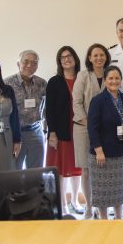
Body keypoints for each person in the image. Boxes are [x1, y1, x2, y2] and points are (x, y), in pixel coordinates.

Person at [87, 66, 123, 220]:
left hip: (122, 152)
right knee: (102, 189)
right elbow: (92, 127)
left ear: (121, 81)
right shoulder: (97, 101)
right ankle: (103, 219)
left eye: (117, 78)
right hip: (103, 153)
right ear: (105, 80)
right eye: (110, 78)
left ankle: (118, 216)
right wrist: (98, 150)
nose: (114, 81)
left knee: (120, 188)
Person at [72, 43, 110, 218]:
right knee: (86, 170)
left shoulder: (111, 75)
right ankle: (89, 206)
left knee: (103, 169)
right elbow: (77, 102)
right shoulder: (83, 75)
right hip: (83, 129)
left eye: (101, 55)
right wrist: (90, 125)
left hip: (106, 131)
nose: (98, 58)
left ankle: (102, 206)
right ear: (89, 58)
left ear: (106, 56)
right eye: (95, 55)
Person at [45, 46, 83, 216]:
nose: (66, 59)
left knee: (78, 168)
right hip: (61, 131)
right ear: (59, 62)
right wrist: (52, 132)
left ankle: (75, 200)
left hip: (80, 130)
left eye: (69, 56)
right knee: (61, 169)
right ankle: (63, 204)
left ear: (75, 58)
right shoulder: (54, 81)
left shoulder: (83, 78)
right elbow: (49, 109)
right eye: (62, 57)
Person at [4, 50, 47, 170]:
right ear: (18, 64)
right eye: (26, 62)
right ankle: (16, 190)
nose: (29, 65)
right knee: (14, 170)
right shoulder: (7, 84)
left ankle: (33, 190)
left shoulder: (42, 83)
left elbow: (47, 110)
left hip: (36, 133)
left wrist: (46, 130)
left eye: (34, 63)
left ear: (37, 66)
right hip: (15, 134)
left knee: (36, 171)